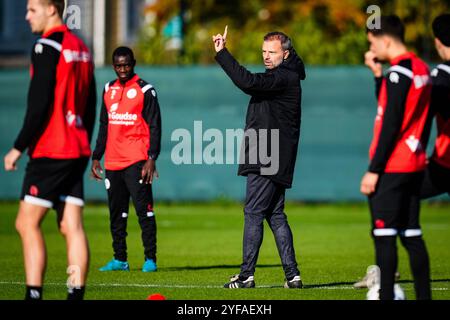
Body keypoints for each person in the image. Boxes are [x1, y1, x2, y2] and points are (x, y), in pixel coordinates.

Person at [3, 0, 96, 300]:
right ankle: (74, 294)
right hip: (77, 146)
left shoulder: (46, 46)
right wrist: (84, 140)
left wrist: (18, 147)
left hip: (51, 148)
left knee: (25, 222)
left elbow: (38, 104)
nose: (27, 16)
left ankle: (33, 295)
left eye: (32, 9)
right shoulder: (81, 47)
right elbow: (91, 103)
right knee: (72, 225)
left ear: (52, 9)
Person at [212, 27, 306, 289]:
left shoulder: (283, 78)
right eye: (264, 51)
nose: (266, 56)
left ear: (285, 54)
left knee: (253, 212)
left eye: (272, 52)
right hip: (276, 154)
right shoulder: (286, 74)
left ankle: (246, 276)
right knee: (275, 214)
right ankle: (293, 276)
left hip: (267, 153)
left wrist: (222, 54)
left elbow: (247, 82)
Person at [360, 15, 432, 300]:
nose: (371, 48)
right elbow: (393, 104)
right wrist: (377, 75)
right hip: (415, 164)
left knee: (384, 236)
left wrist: (374, 170)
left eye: (372, 42)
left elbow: (391, 123)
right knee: (412, 234)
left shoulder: (399, 73)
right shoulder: (421, 68)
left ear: (386, 39)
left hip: (392, 165)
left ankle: (387, 295)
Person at [91, 46, 161, 273]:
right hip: (112, 163)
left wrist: (151, 158)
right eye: (119, 66)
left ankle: (150, 259)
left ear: (134, 63)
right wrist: (96, 156)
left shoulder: (145, 90)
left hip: (137, 161)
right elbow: (104, 125)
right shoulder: (107, 89)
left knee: (144, 212)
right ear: (113, 66)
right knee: (116, 214)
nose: (123, 69)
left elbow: (155, 126)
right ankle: (120, 259)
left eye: (127, 65)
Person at [420, 13, 450, 199]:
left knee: (399, 190)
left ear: (437, 41)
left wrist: (418, 150)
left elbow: (425, 115)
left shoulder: (442, 76)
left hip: (446, 163)